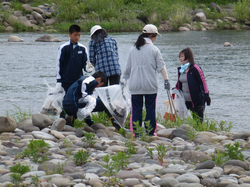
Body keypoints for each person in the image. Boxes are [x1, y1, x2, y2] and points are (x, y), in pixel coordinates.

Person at [123, 24, 170, 137]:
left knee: (136, 110)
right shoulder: (154, 49)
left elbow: (127, 69)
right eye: (155, 36)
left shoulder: (133, 49)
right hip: (150, 85)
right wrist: (166, 80)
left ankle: (137, 133)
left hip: (135, 85)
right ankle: (150, 132)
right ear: (151, 36)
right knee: (150, 109)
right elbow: (161, 67)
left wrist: (123, 82)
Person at [174, 47, 211, 123]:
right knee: (182, 119)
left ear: (188, 57)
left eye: (182, 57)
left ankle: (200, 133)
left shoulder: (195, 68)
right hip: (185, 100)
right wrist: (175, 88)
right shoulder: (181, 70)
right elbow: (180, 81)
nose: (180, 58)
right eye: (179, 57)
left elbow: (203, 81)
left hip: (196, 100)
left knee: (198, 120)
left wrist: (206, 95)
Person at [56, 24, 88, 93]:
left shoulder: (83, 48)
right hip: (65, 81)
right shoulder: (63, 48)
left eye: (79, 35)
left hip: (78, 80)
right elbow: (59, 64)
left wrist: (88, 68)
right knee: (65, 101)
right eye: (75, 35)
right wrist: (59, 80)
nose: (77, 37)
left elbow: (85, 64)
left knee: (76, 100)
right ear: (70, 34)